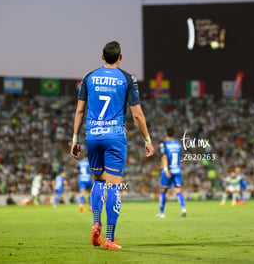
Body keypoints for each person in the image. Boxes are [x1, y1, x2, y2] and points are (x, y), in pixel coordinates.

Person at [70, 41, 154, 250]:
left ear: (102, 56)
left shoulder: (89, 77)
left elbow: (79, 111)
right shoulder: (127, 79)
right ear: (120, 57)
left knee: (98, 182)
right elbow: (137, 114)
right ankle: (109, 238)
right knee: (114, 185)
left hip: (93, 136)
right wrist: (147, 140)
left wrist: (74, 139)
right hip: (115, 136)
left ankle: (95, 223)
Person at [156, 126, 186, 218]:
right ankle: (183, 208)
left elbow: (164, 157)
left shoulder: (164, 144)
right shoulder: (178, 144)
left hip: (168, 170)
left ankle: (162, 213)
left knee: (163, 190)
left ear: (166, 134)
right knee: (178, 190)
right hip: (177, 170)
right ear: (174, 134)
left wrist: (165, 169)